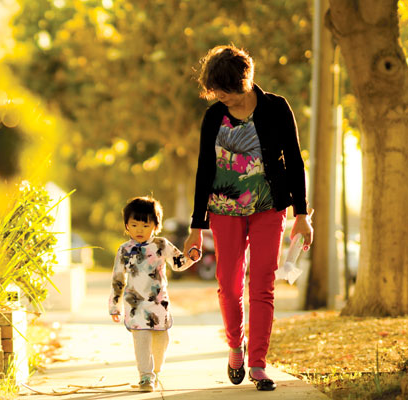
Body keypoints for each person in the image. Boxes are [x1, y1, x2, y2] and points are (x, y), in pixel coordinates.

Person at [182, 45, 314, 391]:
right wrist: (196, 226)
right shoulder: (214, 117)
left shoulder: (276, 108)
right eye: (216, 92)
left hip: (269, 207)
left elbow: (295, 161)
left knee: (262, 284)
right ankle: (234, 346)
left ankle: (258, 363)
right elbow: (204, 170)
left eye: (225, 92)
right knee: (228, 283)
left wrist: (301, 214)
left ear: (244, 82)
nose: (220, 97)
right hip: (223, 209)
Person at [109, 196, 195, 392]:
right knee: (141, 339)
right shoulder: (124, 250)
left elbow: (178, 263)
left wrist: (191, 258)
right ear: (127, 226)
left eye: (145, 225)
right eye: (134, 224)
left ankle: (156, 368)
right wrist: (115, 305)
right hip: (135, 304)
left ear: (156, 226)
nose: (140, 230)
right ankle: (145, 375)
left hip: (159, 303)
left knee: (162, 339)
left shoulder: (161, 245)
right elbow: (118, 279)